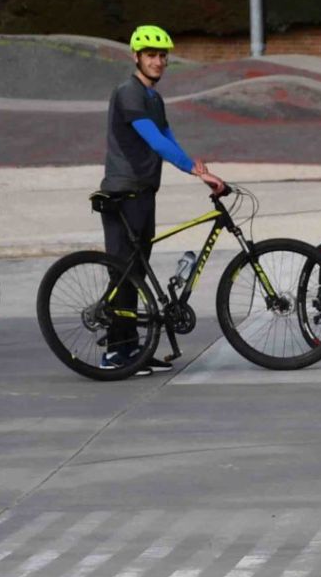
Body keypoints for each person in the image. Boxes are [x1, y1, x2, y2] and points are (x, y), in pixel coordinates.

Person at [97, 25, 229, 375]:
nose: (158, 61)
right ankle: (115, 353)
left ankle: (132, 350)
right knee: (125, 272)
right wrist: (194, 171)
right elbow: (154, 140)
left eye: (162, 55)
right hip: (123, 191)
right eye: (151, 55)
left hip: (143, 190)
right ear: (136, 56)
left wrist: (196, 165)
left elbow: (168, 134)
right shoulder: (129, 93)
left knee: (136, 271)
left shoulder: (153, 98)